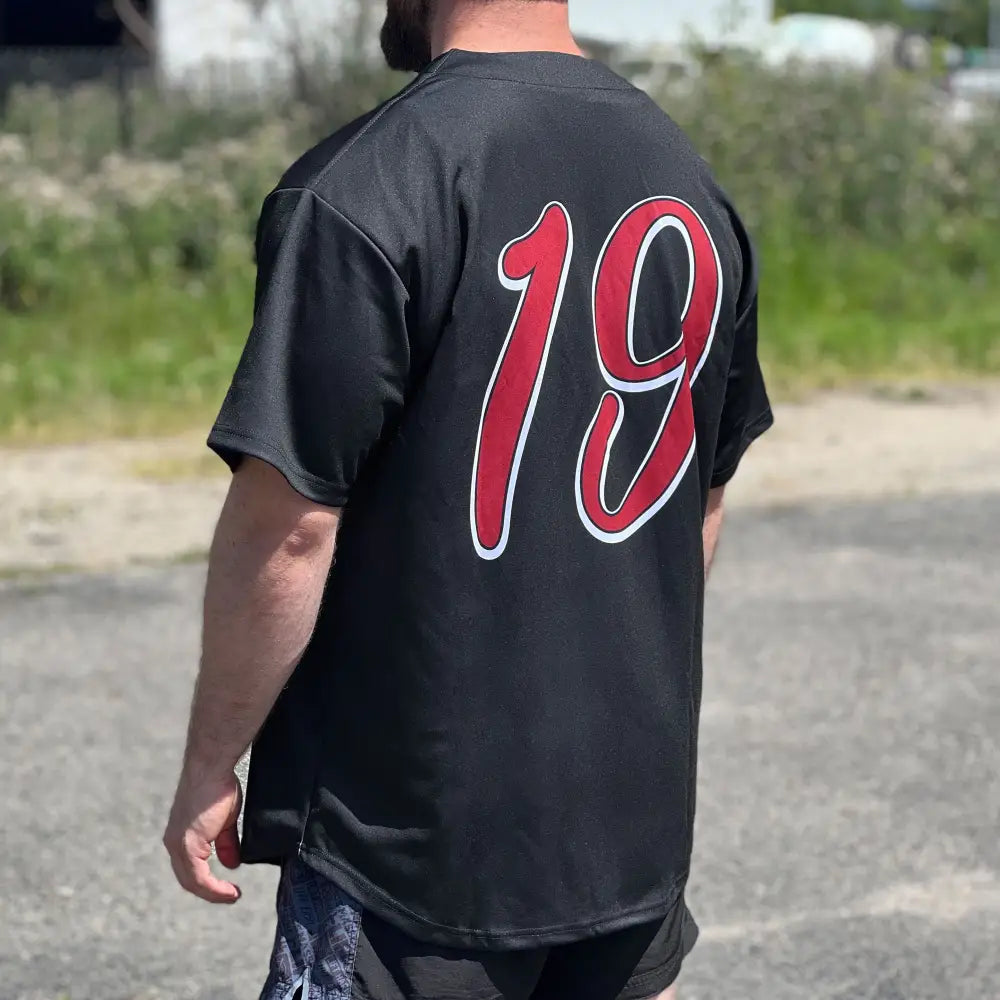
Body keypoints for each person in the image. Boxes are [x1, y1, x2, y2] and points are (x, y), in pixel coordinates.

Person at [162, 1, 773, 997]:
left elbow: (290, 529)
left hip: (411, 856)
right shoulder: (684, 172)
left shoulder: (366, 182)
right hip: (627, 831)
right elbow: (696, 502)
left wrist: (207, 765)